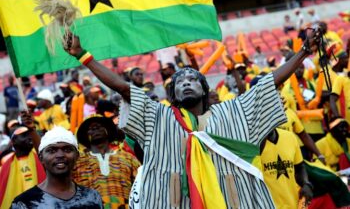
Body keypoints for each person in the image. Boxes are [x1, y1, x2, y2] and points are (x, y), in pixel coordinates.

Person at [62, 29, 320, 208]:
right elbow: (123, 87)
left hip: (232, 198)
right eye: (179, 82)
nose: (186, 83)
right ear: (172, 93)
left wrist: (303, 53)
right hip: (175, 201)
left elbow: (266, 85)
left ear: (205, 89)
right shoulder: (159, 116)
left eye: (192, 79)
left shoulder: (231, 112)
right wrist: (84, 56)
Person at [11, 126, 103, 208]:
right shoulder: (24, 204)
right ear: (41, 158)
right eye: (52, 150)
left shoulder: (92, 197)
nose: (60, 155)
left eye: (67, 149)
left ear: (77, 156)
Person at [73, 115, 140, 208]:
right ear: (85, 135)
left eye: (99, 127)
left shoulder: (128, 158)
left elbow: (141, 187)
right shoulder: (78, 162)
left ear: (108, 130)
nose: (95, 130)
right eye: (91, 129)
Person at [0, 112, 44, 209]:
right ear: (13, 141)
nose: (29, 137)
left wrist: (32, 128)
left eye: (29, 134)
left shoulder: (41, 158)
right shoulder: (4, 168)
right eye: (24, 135)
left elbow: (42, 150)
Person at [260, 128, 313, 208]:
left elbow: (299, 167)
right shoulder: (251, 143)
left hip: (294, 204)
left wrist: (306, 183)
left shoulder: (290, 137)